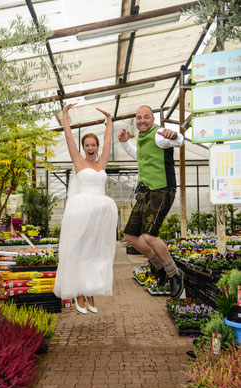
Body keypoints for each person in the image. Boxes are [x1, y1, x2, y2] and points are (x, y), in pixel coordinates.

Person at [54, 103, 118, 314]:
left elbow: (109, 141)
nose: (91, 148)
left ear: (97, 147)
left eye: (93, 145)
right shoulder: (79, 161)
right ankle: (79, 293)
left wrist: (109, 119)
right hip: (82, 211)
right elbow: (69, 138)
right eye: (87, 145)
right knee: (80, 252)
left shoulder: (102, 163)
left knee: (96, 254)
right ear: (84, 148)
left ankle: (90, 291)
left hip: (100, 214)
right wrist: (65, 115)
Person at [118, 105, 184, 299]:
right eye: (139, 118)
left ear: (153, 119)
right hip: (145, 191)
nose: (142, 121)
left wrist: (175, 135)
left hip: (162, 189)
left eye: (146, 117)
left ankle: (174, 274)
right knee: (130, 236)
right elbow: (140, 157)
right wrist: (124, 143)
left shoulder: (159, 134)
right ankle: (158, 266)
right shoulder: (142, 138)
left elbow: (177, 140)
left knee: (148, 236)